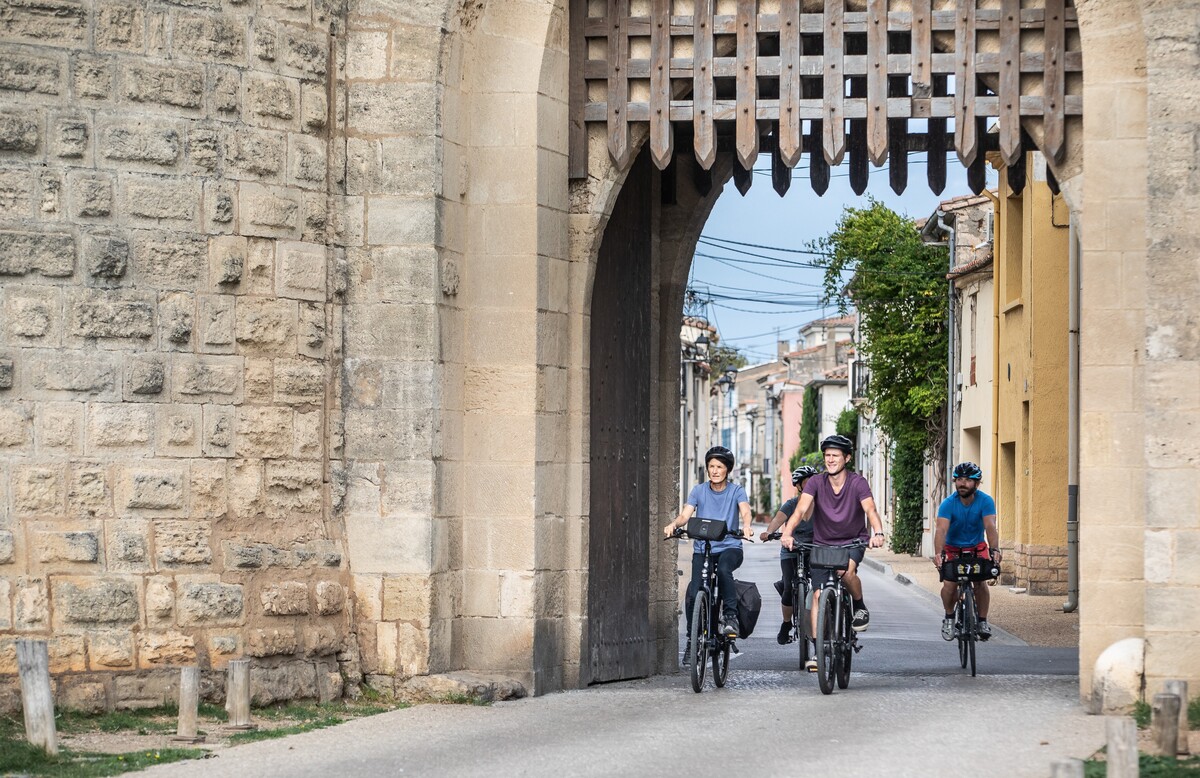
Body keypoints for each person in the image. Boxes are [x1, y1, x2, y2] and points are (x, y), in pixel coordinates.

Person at [781, 434, 885, 670]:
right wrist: (787, 533)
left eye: (835, 455)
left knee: (846, 572)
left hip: (852, 541)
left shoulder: (858, 483)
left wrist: (878, 532)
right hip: (822, 544)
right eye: (827, 455)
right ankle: (818, 649)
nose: (830, 459)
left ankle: (859, 606)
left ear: (846, 458)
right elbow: (800, 510)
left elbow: (870, 509)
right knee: (818, 595)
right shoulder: (816, 483)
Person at [664, 445, 754, 664]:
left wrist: (746, 526)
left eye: (719, 467)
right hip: (703, 548)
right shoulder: (699, 491)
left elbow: (745, 510)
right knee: (694, 593)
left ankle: (730, 616)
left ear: (727, 469)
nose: (714, 471)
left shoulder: (736, 491)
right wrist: (674, 524)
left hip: (729, 547)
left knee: (723, 570)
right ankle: (691, 641)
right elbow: (685, 515)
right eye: (711, 466)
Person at [933, 461, 1001, 641]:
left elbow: (990, 526)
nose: (962, 484)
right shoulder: (948, 504)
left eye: (968, 480)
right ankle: (949, 618)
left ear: (977, 483)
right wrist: (939, 553)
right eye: (959, 479)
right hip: (952, 548)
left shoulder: (985, 501)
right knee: (949, 585)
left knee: (980, 583)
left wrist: (994, 550)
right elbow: (941, 530)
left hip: (977, 547)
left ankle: (982, 621)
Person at [761, 466, 819, 645]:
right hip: (791, 550)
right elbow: (777, 520)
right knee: (788, 586)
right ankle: (786, 624)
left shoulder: (823, 505)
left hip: (814, 549)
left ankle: (822, 621)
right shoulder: (791, 504)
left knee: (822, 583)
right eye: (808, 482)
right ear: (799, 485)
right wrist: (769, 532)